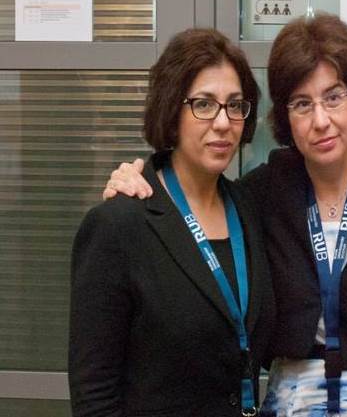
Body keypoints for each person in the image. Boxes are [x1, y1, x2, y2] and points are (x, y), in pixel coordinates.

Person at [104, 13, 347, 416]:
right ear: (285, 117)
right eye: (302, 104)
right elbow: (185, 199)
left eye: (334, 97)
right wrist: (132, 177)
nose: (320, 120)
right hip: (290, 405)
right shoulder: (261, 194)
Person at [69, 28, 275, 417]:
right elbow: (94, 396)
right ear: (171, 109)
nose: (222, 122)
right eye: (203, 104)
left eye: (235, 105)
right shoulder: (119, 225)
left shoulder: (249, 208)